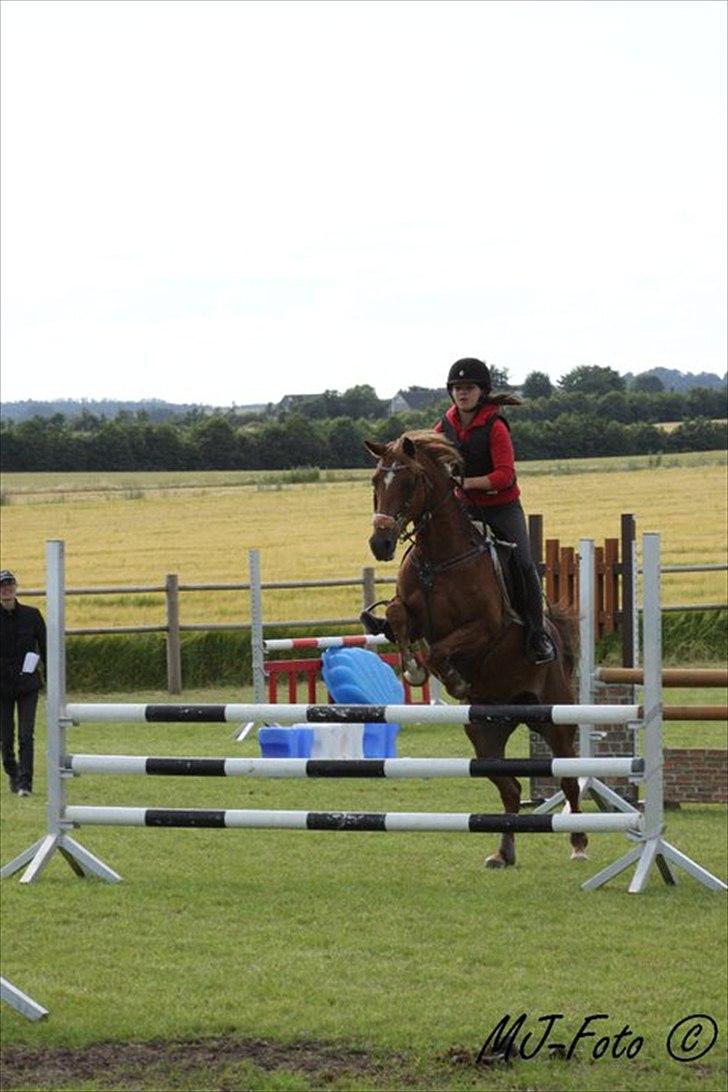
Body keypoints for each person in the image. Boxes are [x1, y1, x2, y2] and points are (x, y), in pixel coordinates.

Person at [435, 358, 557, 664]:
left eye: (469, 388)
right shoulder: (444, 426)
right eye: (457, 388)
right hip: (465, 510)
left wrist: (465, 482)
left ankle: (536, 633)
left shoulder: (495, 425)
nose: (462, 393)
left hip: (502, 509)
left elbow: (505, 475)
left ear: (482, 391)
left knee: (524, 563)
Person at [0, 570, 46, 796]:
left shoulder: (32, 615)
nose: (6, 589)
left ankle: (25, 784)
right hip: (2, 688)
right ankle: (13, 771)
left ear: (16, 587)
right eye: (2, 586)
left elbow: (46, 649)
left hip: (27, 685)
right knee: (6, 739)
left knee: (26, 735)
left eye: (9, 584)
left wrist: (51, 680)